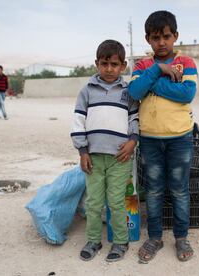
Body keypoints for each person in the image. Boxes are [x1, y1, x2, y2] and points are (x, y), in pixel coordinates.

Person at [128, 10, 198, 263]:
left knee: (179, 191)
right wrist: (158, 69)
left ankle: (181, 237)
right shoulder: (143, 65)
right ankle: (155, 237)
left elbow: (186, 94)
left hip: (180, 138)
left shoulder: (187, 63)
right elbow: (135, 91)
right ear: (148, 39)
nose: (161, 42)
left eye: (166, 36)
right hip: (149, 139)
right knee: (154, 191)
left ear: (175, 36)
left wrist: (152, 81)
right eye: (156, 37)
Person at [70, 40, 139, 262]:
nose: (109, 69)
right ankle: (93, 240)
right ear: (96, 64)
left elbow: (134, 119)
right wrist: (82, 152)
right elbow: (78, 121)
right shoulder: (87, 91)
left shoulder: (129, 91)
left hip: (120, 158)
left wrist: (133, 141)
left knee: (117, 201)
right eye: (104, 64)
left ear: (123, 66)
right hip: (94, 158)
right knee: (94, 202)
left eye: (114, 64)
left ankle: (120, 241)